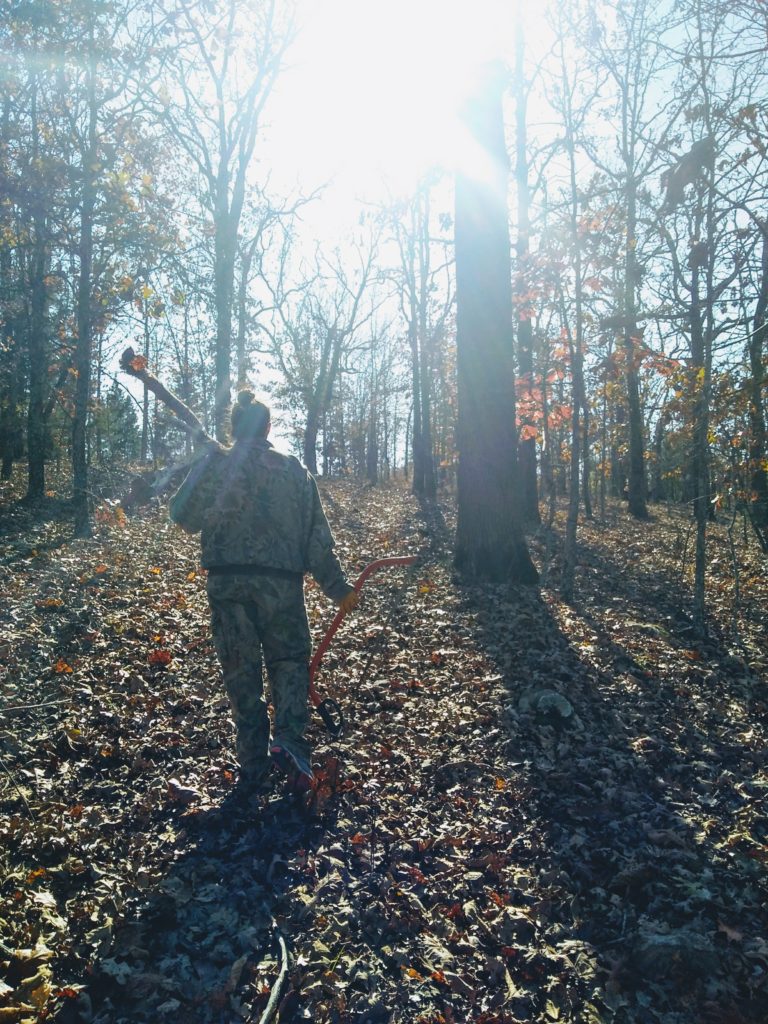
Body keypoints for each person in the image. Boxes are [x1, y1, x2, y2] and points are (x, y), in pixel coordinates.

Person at [169, 391, 358, 795]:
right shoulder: (294, 472)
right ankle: (289, 742)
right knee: (289, 664)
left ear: (233, 429)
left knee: (242, 673)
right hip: (281, 587)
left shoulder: (215, 465)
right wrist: (337, 588)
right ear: (269, 428)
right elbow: (316, 540)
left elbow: (181, 515)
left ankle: (254, 762)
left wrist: (205, 472)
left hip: (227, 583)